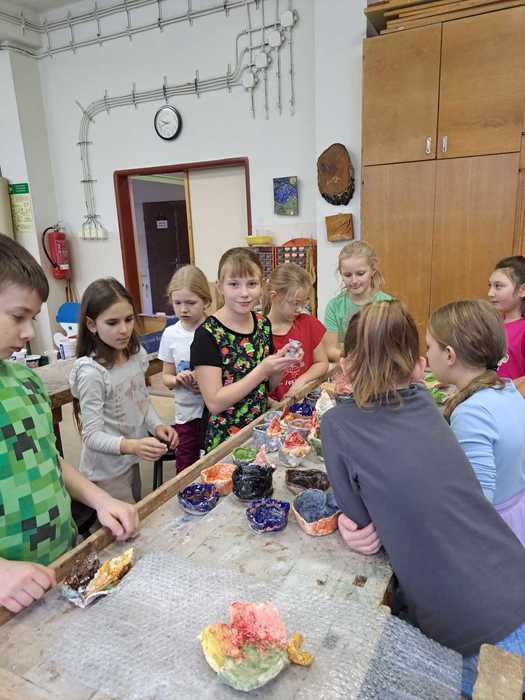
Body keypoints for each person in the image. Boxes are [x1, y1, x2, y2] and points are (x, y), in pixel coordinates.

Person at [320, 300, 525, 696]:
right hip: (513, 576)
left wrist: (350, 522)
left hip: (473, 628)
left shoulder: (337, 425)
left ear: (344, 366)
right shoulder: (429, 405)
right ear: (417, 367)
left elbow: (361, 522)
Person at [0, 234, 137, 615]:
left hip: (60, 562)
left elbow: (46, 458)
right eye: (18, 317)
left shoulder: (26, 382)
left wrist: (100, 499)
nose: (29, 333)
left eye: (32, 319)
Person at [70, 278, 177, 503]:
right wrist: (132, 445)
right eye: (112, 322)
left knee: (134, 507)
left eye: (129, 319)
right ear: (92, 325)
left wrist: (157, 425)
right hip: (105, 472)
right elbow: (91, 436)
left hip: (129, 459)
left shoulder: (135, 356)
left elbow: (141, 401)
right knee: (123, 520)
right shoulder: (92, 372)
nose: (124, 330)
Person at [427, 299, 525, 544]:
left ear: (449, 355)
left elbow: (477, 506)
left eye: (429, 347)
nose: (426, 354)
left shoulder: (471, 414)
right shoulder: (507, 389)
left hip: (496, 535)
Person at [191, 247, 301, 452]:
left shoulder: (263, 324)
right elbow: (215, 402)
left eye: (252, 284)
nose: (244, 293)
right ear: (220, 287)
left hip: (260, 429)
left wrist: (281, 364)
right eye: (234, 284)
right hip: (224, 440)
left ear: (262, 285)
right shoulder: (207, 335)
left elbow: (266, 387)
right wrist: (262, 370)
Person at [159, 265, 211, 472]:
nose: (183, 309)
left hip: (215, 412)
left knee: (215, 463)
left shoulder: (215, 330)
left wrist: (207, 384)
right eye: (177, 303)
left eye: (190, 303)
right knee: (186, 468)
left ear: (206, 301)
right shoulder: (170, 335)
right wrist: (178, 380)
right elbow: (166, 377)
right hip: (186, 416)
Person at [265, 262, 328, 401]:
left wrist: (301, 380)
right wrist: (272, 404)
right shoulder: (259, 331)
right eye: (295, 303)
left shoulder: (307, 323)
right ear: (274, 296)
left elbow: (322, 363)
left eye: (304, 303)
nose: (300, 309)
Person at [324, 240, 392, 362]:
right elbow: (330, 350)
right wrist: (355, 361)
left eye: (360, 274)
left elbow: (393, 349)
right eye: (347, 275)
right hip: (348, 367)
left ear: (373, 270)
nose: (354, 281)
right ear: (341, 274)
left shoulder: (388, 304)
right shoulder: (334, 307)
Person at [488, 255, 525, 381]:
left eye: (498, 286)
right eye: (490, 286)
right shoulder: (490, 324)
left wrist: (507, 391)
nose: (490, 293)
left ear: (522, 290)